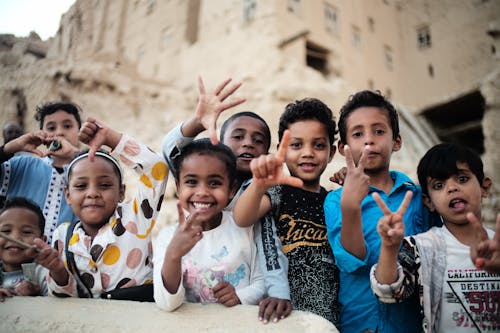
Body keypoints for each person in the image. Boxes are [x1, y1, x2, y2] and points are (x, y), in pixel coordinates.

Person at [162, 77, 292, 323]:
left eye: (257, 140)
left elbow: (267, 244)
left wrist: (278, 292)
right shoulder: (202, 177)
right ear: (220, 142)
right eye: (238, 136)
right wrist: (196, 122)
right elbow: (171, 152)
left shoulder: (265, 189)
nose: (247, 143)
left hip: (240, 304)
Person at [324, 90, 440, 332]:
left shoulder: (420, 197)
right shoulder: (336, 200)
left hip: (410, 324)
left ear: (396, 141)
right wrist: (351, 205)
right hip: (360, 324)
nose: (369, 140)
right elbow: (351, 261)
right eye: (358, 134)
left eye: (379, 131)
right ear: (344, 147)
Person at [28, 117, 168, 298]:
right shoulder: (62, 236)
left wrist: (110, 138)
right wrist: (57, 271)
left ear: (121, 192)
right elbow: (63, 299)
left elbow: (157, 169)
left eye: (104, 185)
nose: (92, 193)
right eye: (80, 186)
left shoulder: (136, 216)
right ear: (68, 195)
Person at [370, 143, 500, 332]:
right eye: (439, 185)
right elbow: (388, 292)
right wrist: (389, 247)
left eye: (462, 179)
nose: (452, 188)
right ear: (428, 201)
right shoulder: (422, 248)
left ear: (484, 187)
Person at [233, 98, 340, 325]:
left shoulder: (333, 200)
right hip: (282, 315)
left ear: (331, 153)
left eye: (318, 145)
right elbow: (242, 217)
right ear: (282, 148)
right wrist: (260, 184)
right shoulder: (278, 193)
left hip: (328, 319)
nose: (308, 153)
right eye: (297, 145)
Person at [154, 138, 265, 311]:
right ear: (178, 187)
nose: (203, 192)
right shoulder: (167, 237)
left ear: (231, 190)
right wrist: (173, 255)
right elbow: (167, 303)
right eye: (191, 182)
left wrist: (239, 296)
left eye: (214, 183)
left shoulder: (246, 229)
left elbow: (263, 283)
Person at [1, 102, 81, 242]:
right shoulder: (21, 165)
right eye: (51, 128)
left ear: (79, 132)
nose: (59, 132)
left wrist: (75, 154)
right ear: (42, 133)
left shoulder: (90, 170)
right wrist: (12, 146)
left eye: (67, 126)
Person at [0, 197, 48, 301]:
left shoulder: (44, 274)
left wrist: (37, 296)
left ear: (42, 241)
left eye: (26, 232)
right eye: (6, 231)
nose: (14, 237)